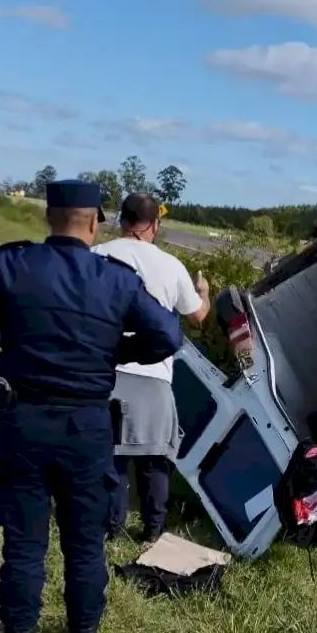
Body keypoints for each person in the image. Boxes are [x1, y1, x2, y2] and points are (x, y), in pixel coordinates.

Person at [0, 180, 183, 633]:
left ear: (49, 218)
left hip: (24, 422)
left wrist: (0, 324)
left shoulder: (13, 263)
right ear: (93, 222)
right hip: (87, 426)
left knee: (24, 545)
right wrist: (115, 351)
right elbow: (167, 335)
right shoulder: (116, 279)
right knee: (84, 544)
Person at [95, 192, 210, 545]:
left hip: (105, 370)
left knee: (110, 455)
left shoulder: (97, 255)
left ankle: (109, 529)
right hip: (153, 375)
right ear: (154, 225)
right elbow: (198, 316)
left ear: (121, 220)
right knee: (153, 459)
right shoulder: (172, 266)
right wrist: (204, 291)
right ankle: (152, 532)